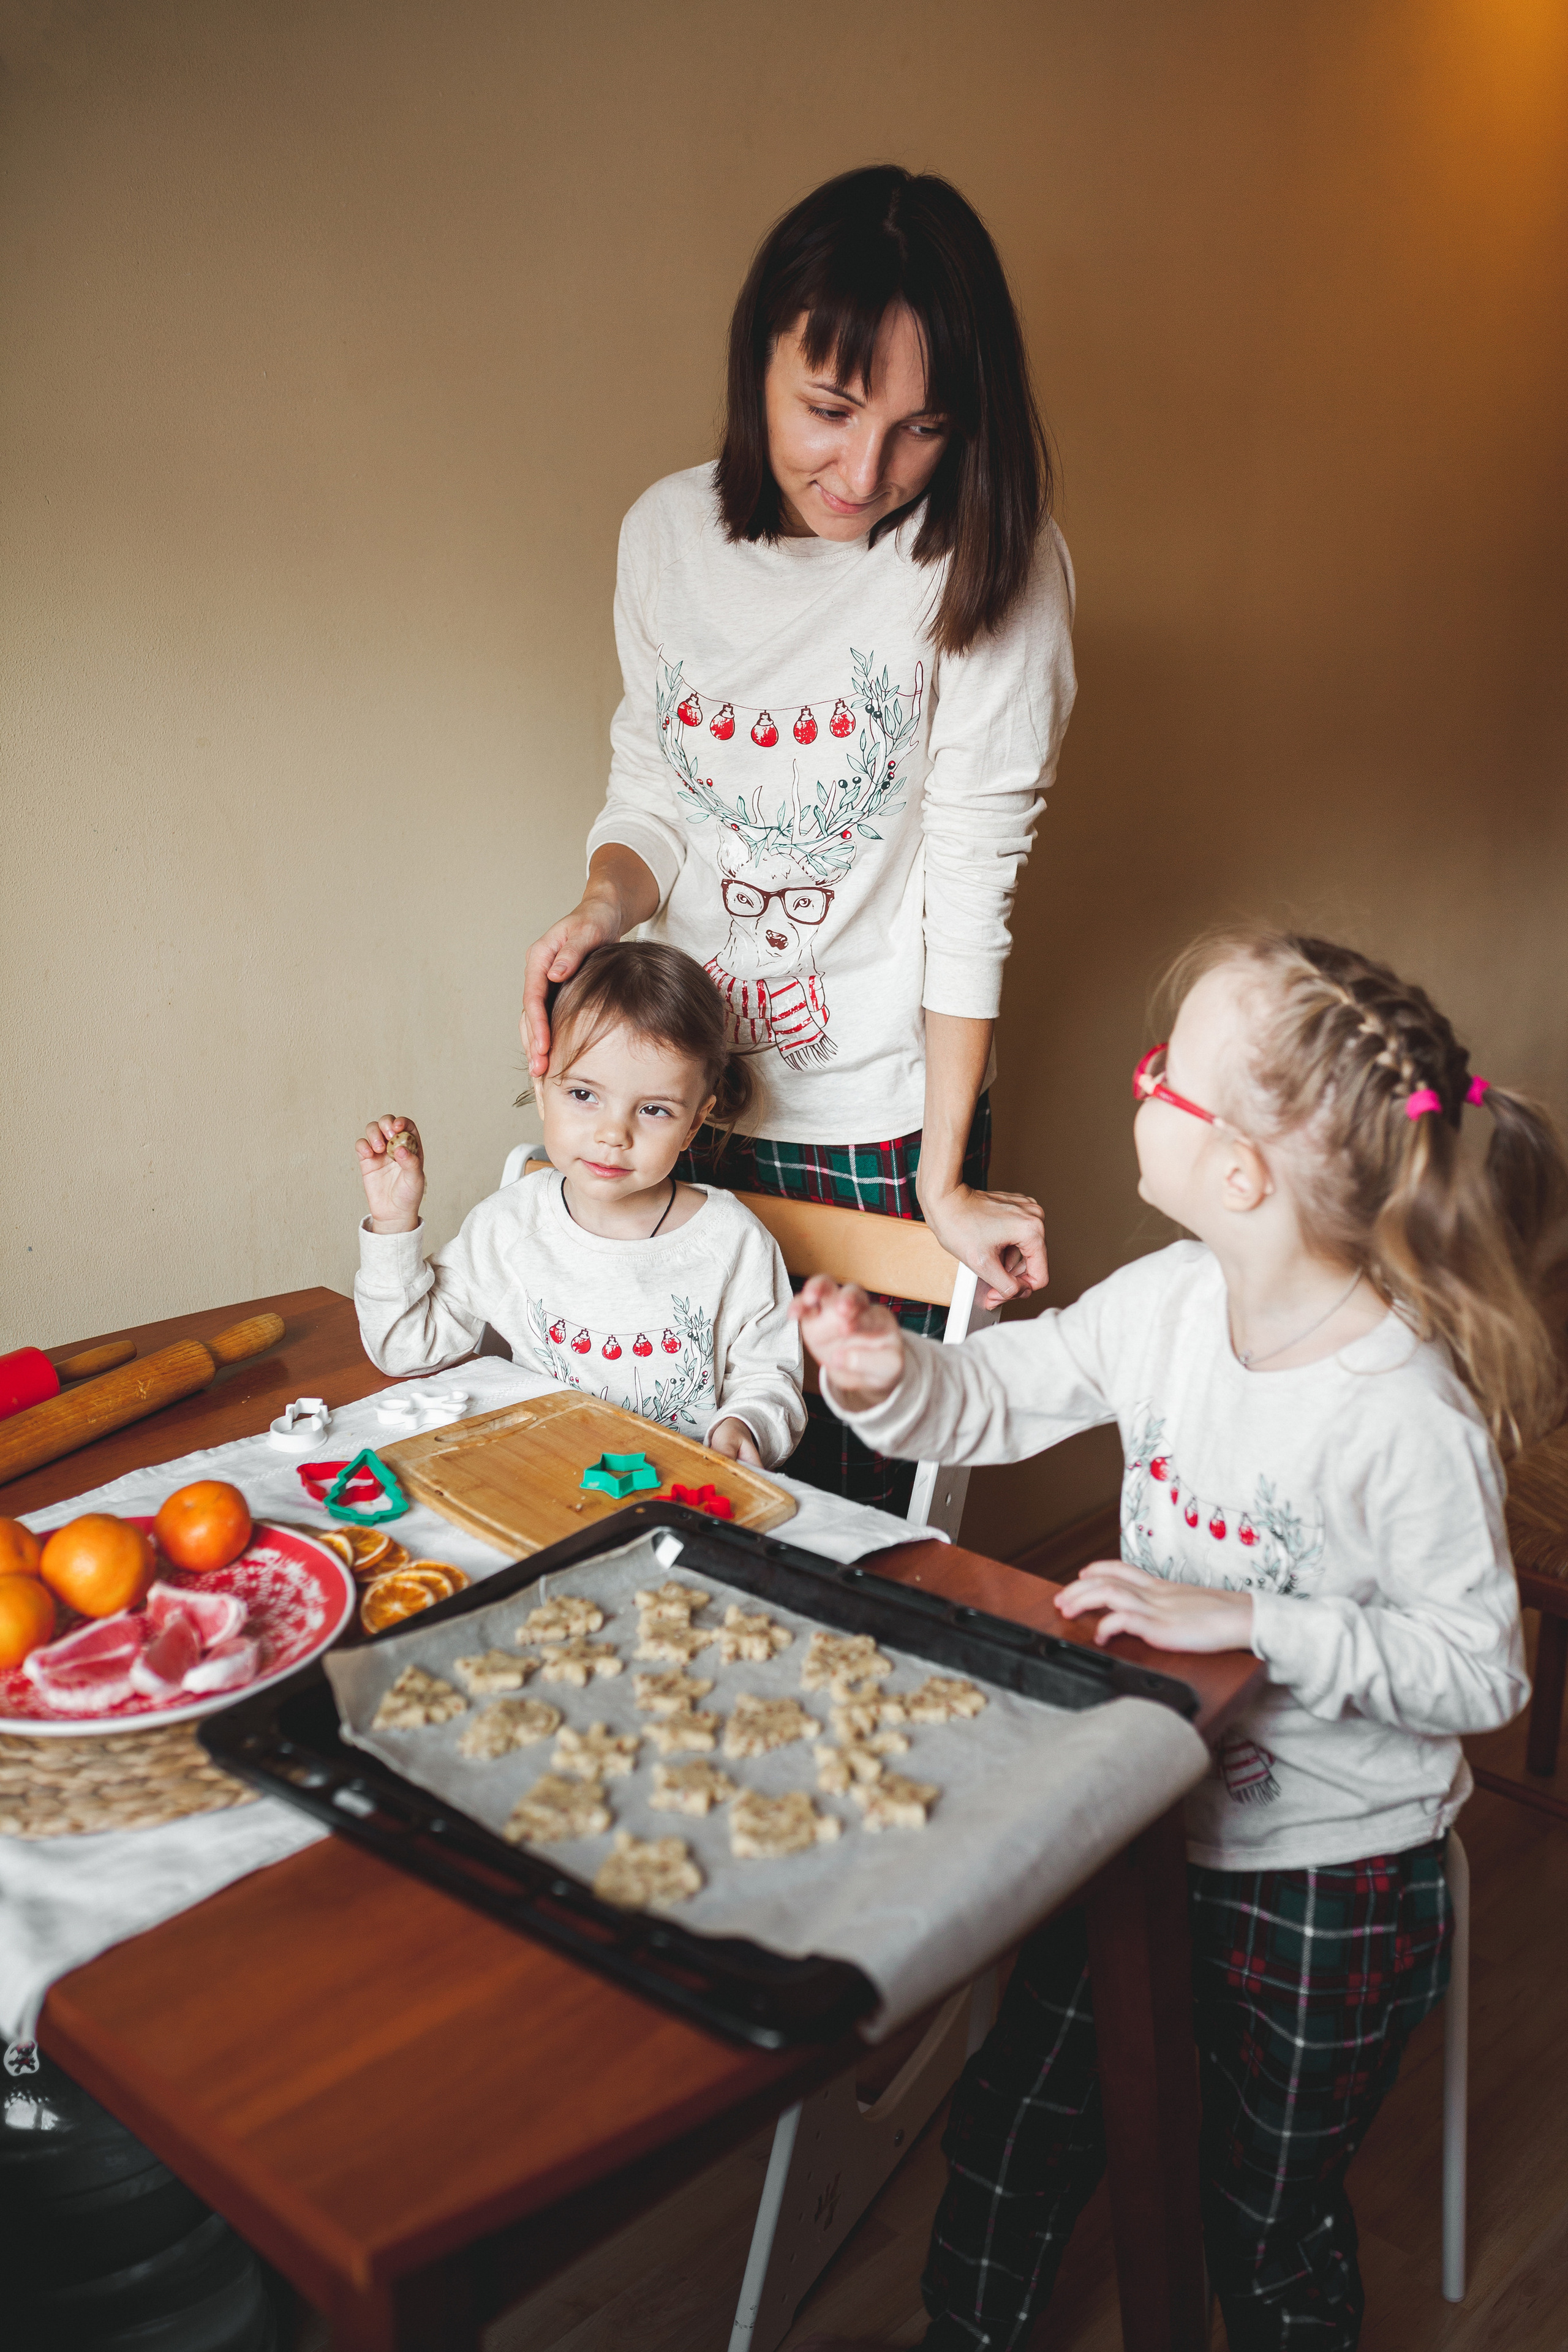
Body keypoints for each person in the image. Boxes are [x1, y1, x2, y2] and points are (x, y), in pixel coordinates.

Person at [795, 927, 1566, 2351]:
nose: (1131, 1084)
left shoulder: (1401, 1411)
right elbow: (986, 1397)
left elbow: (1479, 1668)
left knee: (1258, 2220)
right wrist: (886, 1373)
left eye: (1159, 1073)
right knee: (1010, 2136)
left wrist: (1252, 1620)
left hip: (1329, 1875)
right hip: (1137, 1815)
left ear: (1238, 1173)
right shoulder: (1162, 1302)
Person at [522, 164, 1077, 1511]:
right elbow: (653, 783)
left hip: (877, 1116)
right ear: (756, 364)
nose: (865, 473)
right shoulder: (663, 538)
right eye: (827, 411)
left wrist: (939, 1177)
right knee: (653, 1480)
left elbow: (968, 880)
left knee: (837, 1515)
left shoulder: (986, 564)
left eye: (920, 428)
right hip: (677, 1094)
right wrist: (602, 908)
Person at [354, 942, 805, 1469]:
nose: (614, 1133)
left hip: (678, 1499)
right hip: (540, 1484)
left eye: (655, 1109)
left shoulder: (733, 1242)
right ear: (542, 1087)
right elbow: (405, 1350)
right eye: (585, 1095)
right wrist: (393, 1223)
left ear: (694, 1123)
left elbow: (770, 1380)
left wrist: (744, 1425)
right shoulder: (509, 1226)